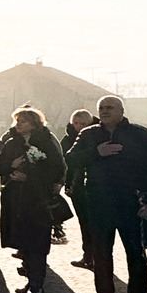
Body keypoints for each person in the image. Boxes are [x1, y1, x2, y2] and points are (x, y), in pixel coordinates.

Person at [64, 97, 147, 293]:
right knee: (100, 252)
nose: (104, 111)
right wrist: (96, 152)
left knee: (136, 253)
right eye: (101, 108)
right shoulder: (89, 133)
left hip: (130, 202)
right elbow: (71, 159)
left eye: (110, 108)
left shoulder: (139, 134)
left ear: (121, 110)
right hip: (98, 203)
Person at [0, 106, 64, 293]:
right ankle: (30, 280)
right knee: (23, 244)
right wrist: (11, 166)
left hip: (37, 202)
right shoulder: (11, 143)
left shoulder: (46, 142)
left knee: (37, 244)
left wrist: (29, 177)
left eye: (23, 121)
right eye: (17, 121)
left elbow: (56, 169)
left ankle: (37, 285)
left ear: (34, 124)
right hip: (14, 202)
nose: (18, 124)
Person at [60, 109, 97, 260]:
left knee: (94, 222)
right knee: (83, 221)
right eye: (76, 123)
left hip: (93, 185)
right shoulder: (67, 139)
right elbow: (64, 162)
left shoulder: (96, 135)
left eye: (83, 123)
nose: (79, 126)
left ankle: (95, 255)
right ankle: (87, 254)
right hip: (76, 186)